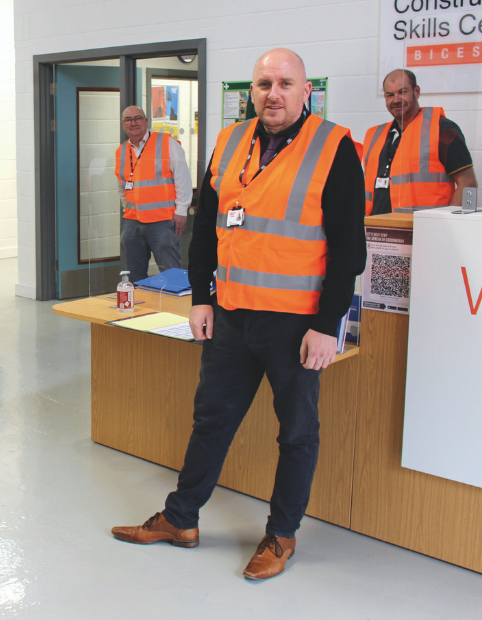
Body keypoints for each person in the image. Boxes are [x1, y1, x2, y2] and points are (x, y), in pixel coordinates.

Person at [111, 49, 367, 581]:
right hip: (230, 315)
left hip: (296, 323)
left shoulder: (334, 146)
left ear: (305, 92)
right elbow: (206, 228)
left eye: (284, 83)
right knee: (211, 421)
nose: (273, 93)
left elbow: (348, 248)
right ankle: (181, 519)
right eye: (263, 83)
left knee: (296, 432)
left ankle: (281, 534)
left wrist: (327, 325)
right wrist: (201, 297)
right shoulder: (229, 142)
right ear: (252, 90)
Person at [362, 68, 477, 215]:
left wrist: (447, 223)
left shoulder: (442, 129)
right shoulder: (374, 135)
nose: (396, 100)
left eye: (402, 92)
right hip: (379, 230)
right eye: (390, 95)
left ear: (416, 92)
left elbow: (469, 184)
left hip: (427, 232)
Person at [115, 107, 193, 281]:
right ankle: (138, 307)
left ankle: (175, 307)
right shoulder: (120, 152)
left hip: (162, 221)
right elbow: (122, 187)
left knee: (171, 272)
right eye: (128, 120)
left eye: (137, 118)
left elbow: (183, 179)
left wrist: (181, 210)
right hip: (132, 222)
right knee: (133, 275)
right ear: (123, 125)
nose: (133, 123)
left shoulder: (166, 143)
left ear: (146, 121)